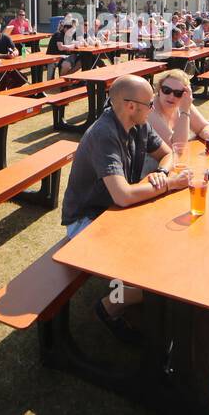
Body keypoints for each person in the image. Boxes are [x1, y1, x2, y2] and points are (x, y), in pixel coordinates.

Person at [61, 74, 191, 345]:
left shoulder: (138, 123)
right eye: (149, 104)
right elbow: (122, 196)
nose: (153, 108)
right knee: (154, 274)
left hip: (113, 212)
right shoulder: (104, 134)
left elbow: (168, 154)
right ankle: (110, 306)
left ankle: (133, 297)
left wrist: (162, 172)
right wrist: (168, 184)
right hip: (87, 220)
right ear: (131, 106)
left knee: (168, 251)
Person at [146, 68, 209, 157]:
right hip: (152, 166)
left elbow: (204, 126)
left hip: (173, 161)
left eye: (178, 93)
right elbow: (175, 147)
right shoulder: (150, 110)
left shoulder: (184, 103)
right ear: (159, 90)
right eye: (166, 90)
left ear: (185, 94)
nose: (171, 96)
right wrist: (185, 111)